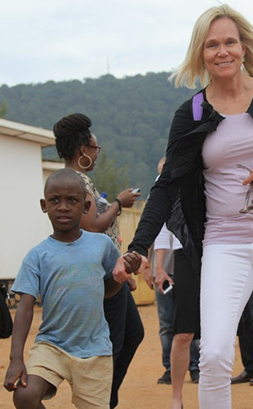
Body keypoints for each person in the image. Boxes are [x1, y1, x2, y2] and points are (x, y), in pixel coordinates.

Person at [114, 4, 253, 408]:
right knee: (212, 354)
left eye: (230, 42)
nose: (222, 51)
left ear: (244, 48)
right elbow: (167, 186)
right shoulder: (192, 113)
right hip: (224, 243)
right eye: (212, 45)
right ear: (200, 53)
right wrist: (138, 247)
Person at [3, 169, 142, 409]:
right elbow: (24, 309)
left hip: (94, 350)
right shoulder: (37, 255)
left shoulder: (102, 245)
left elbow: (108, 289)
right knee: (25, 397)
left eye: (72, 200)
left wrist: (122, 275)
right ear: (44, 205)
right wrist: (16, 359)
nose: (63, 207)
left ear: (87, 205)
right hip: (51, 345)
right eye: (55, 200)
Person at [53, 113, 144, 408]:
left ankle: (107, 398)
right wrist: (119, 203)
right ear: (82, 150)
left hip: (109, 269)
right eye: (96, 148)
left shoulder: (78, 179)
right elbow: (91, 226)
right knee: (114, 343)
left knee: (133, 333)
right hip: (98, 275)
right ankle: (101, 401)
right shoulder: (76, 182)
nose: (96, 153)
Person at [145, 158, 200, 390]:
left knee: (192, 320)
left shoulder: (192, 190)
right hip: (168, 266)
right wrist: (155, 268)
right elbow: (159, 233)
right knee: (169, 321)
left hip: (188, 262)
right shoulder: (159, 198)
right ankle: (170, 367)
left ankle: (196, 366)